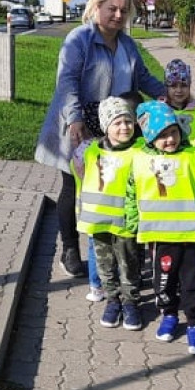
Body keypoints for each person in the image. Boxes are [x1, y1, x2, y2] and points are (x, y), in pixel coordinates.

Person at [34, 0, 165, 278]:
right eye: (112, 9)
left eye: (123, 10)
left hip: (116, 128)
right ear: (96, 7)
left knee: (113, 187)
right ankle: (70, 249)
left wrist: (169, 95)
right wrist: (75, 117)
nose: (118, 15)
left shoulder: (127, 44)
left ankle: (114, 252)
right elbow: (67, 81)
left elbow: (143, 77)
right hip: (79, 124)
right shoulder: (79, 39)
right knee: (73, 186)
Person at [126, 100, 195, 355]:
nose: (170, 139)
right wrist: (133, 225)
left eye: (173, 132)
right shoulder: (140, 159)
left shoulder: (192, 156)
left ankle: (194, 324)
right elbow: (132, 194)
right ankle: (169, 314)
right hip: (159, 236)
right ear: (150, 138)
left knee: (191, 283)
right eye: (162, 135)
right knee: (163, 281)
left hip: (189, 236)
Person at [73, 97, 143, 330]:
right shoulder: (91, 151)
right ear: (105, 126)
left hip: (127, 222)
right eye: (117, 123)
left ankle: (131, 301)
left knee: (129, 263)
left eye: (128, 121)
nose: (124, 127)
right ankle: (112, 300)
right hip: (99, 221)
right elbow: (81, 179)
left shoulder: (140, 151)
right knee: (105, 264)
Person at [162, 59, 195, 142]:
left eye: (184, 85)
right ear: (167, 87)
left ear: (189, 86)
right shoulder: (161, 110)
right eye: (173, 86)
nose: (179, 90)